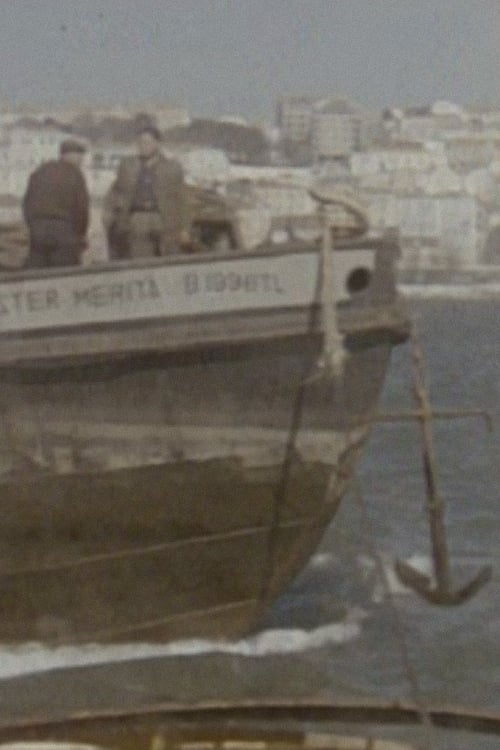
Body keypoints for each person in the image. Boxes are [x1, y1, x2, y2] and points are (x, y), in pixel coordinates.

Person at [103, 125, 191, 259]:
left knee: (168, 259)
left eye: (148, 142)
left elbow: (182, 199)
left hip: (164, 219)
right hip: (138, 218)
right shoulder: (128, 165)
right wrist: (110, 215)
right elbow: (116, 191)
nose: (143, 146)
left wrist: (185, 228)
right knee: (141, 260)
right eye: (141, 143)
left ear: (157, 144)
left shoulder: (172, 167)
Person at [22, 139, 89, 268]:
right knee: (66, 273)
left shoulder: (41, 171)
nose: (82, 161)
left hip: (37, 229)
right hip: (64, 231)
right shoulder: (75, 174)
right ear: (73, 155)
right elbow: (82, 208)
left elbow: (27, 203)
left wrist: (32, 225)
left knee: (37, 272)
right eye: (81, 156)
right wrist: (80, 235)